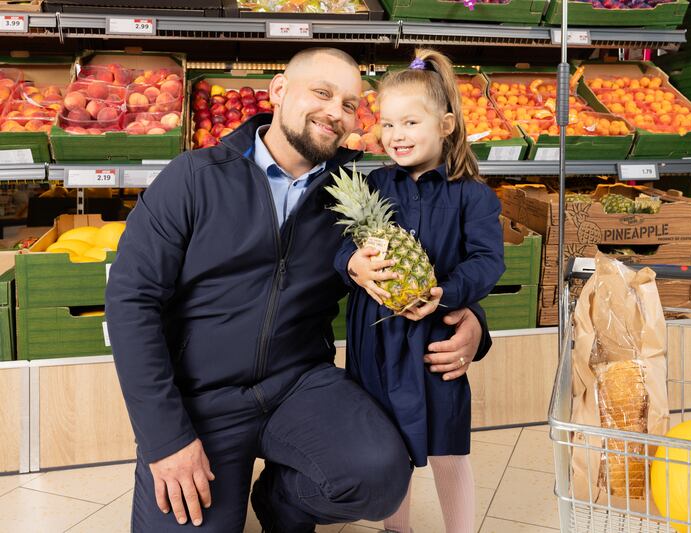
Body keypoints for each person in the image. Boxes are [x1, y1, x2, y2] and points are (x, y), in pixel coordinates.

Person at [105, 46, 493, 533]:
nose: (336, 111)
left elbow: (437, 248)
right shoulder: (193, 178)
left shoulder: (358, 190)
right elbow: (129, 303)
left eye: (350, 104)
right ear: (279, 91)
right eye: (322, 92)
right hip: (204, 397)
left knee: (380, 474)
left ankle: (281, 498)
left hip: (300, 384)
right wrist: (165, 440)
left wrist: (474, 319)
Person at [334, 49, 505, 533]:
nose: (396, 135)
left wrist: (447, 293)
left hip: (435, 340)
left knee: (448, 446)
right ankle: (398, 529)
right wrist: (351, 265)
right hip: (376, 340)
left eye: (410, 122)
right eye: (387, 124)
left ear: (446, 124)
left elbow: (488, 260)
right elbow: (337, 247)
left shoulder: (471, 193)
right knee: (389, 449)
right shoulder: (372, 186)